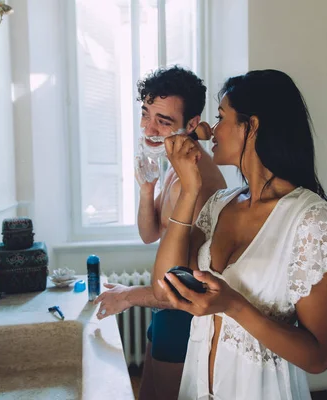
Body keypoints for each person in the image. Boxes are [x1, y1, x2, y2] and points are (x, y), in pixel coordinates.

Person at [152, 69, 327, 400]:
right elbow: (165, 286)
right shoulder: (219, 204)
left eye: (221, 118)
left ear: (252, 125)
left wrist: (233, 304)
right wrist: (189, 189)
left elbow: (318, 357)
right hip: (198, 386)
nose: (212, 129)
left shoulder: (312, 220)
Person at [94, 66, 226, 400]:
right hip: (164, 311)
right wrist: (146, 188)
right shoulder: (173, 167)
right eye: (145, 114)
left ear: (192, 124)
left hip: (185, 319)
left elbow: (184, 287)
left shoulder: (201, 182)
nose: (149, 128)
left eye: (163, 121)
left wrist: (126, 296)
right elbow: (150, 233)